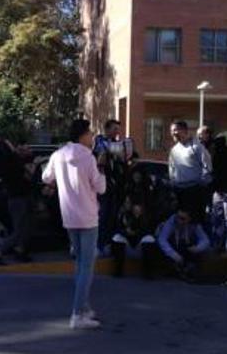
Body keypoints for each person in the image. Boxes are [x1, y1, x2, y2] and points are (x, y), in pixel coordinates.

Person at [42, 119, 107, 330]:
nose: (92, 137)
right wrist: (103, 171)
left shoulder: (58, 154)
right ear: (82, 134)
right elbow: (100, 187)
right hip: (88, 217)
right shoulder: (88, 157)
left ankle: (84, 306)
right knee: (87, 266)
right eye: (90, 133)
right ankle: (78, 313)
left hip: (69, 216)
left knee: (80, 263)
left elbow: (46, 177)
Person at [0, 139, 33, 267]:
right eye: (9, 143)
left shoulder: (3, 164)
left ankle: (19, 251)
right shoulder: (13, 161)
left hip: (14, 198)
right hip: (20, 198)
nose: (12, 144)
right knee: (19, 229)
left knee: (22, 227)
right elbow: (27, 176)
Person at [168, 120, 213, 223]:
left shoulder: (196, 147)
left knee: (195, 223)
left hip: (194, 192)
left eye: (175, 130)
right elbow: (171, 169)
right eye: (171, 131)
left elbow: (207, 167)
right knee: (180, 223)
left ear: (184, 130)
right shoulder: (174, 150)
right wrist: (173, 184)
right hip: (179, 192)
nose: (173, 133)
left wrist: (200, 185)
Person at [110, 195, 159, 278]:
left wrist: (137, 220)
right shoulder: (123, 214)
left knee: (149, 239)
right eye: (126, 202)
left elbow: (148, 231)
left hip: (140, 245)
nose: (126, 204)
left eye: (129, 202)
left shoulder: (145, 215)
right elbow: (117, 229)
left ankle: (148, 272)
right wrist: (126, 232)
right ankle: (118, 270)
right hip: (127, 245)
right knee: (117, 238)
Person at [94, 119, 123, 254]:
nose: (117, 132)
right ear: (107, 129)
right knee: (102, 216)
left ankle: (108, 243)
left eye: (118, 129)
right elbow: (98, 159)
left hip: (114, 186)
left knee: (112, 216)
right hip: (101, 186)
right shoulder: (98, 141)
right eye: (114, 129)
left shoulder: (118, 144)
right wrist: (106, 152)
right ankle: (99, 245)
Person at [158, 207, 210, 281]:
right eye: (178, 217)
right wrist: (173, 254)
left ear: (189, 218)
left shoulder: (194, 224)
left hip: (186, 247)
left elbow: (205, 240)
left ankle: (189, 270)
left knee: (198, 251)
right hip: (173, 248)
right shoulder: (172, 221)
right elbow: (162, 239)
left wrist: (197, 248)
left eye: (182, 218)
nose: (179, 220)